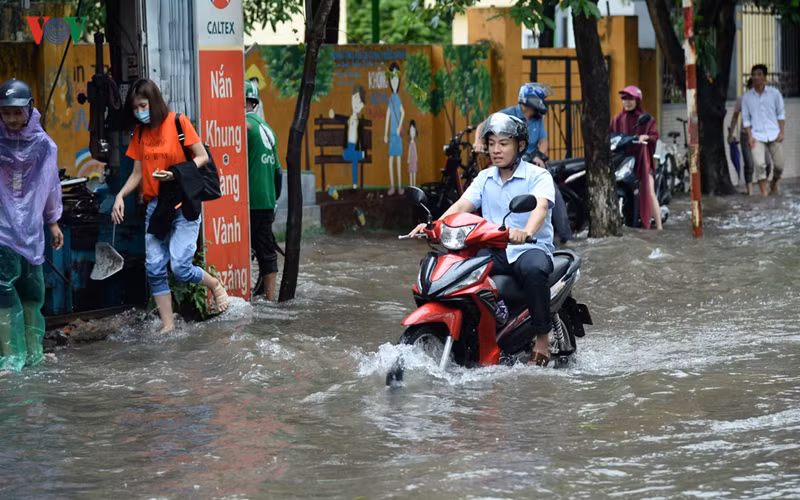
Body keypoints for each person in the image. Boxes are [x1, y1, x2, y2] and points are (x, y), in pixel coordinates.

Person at [410, 113, 555, 366]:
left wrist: (527, 231)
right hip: (494, 248)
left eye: (503, 143)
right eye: (491, 144)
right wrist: (433, 225)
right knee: (456, 270)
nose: (496, 150)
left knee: (534, 271)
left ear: (519, 146)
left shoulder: (537, 176)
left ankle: (542, 340)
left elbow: (540, 207)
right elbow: (462, 205)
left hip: (528, 248)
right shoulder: (485, 177)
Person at [112, 79, 229, 333]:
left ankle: (215, 285)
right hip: (157, 206)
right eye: (134, 108)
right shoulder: (140, 133)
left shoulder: (178, 122)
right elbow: (137, 173)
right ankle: (168, 325)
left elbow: (202, 157)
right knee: (154, 266)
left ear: (153, 102)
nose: (139, 112)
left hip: (183, 202)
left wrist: (176, 174)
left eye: (142, 105)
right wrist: (120, 195)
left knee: (180, 266)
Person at [0, 78, 64, 373]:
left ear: (29, 109)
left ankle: (33, 352)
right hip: (2, 230)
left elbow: (50, 187)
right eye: (5, 112)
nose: (12, 118)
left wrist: (52, 222)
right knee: (4, 292)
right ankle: (11, 357)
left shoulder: (43, 146)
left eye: (17, 112)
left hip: (31, 231)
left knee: (31, 292)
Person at [474, 83, 571, 243]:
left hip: (530, 163)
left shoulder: (537, 119)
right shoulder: (508, 115)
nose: (495, 149)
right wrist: (478, 141)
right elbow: (483, 126)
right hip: (509, 164)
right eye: (492, 144)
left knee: (554, 193)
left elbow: (543, 140)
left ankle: (566, 238)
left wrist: (541, 156)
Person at [245, 80, 281, 301]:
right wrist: (274, 198)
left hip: (250, 201)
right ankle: (269, 298)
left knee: (255, 249)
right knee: (266, 249)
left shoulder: (244, 126)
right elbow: (278, 172)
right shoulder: (268, 129)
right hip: (267, 199)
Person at [611, 85, 661, 230]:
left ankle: (659, 228)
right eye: (624, 98)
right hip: (623, 162)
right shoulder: (617, 119)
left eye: (630, 98)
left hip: (642, 162)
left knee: (650, 192)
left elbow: (654, 135)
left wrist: (646, 137)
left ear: (637, 100)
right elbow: (611, 135)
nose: (627, 102)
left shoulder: (646, 119)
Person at [742, 64, 785, 196]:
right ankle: (764, 194)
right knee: (760, 165)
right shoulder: (747, 97)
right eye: (754, 75)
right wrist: (749, 136)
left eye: (759, 74)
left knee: (779, 165)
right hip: (757, 135)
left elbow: (781, 114)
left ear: (765, 77)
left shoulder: (775, 94)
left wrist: (782, 132)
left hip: (774, 133)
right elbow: (746, 120)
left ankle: (773, 183)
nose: (756, 77)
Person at [728, 78, 756, 195]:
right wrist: (730, 134)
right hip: (745, 135)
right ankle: (750, 191)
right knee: (749, 163)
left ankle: (769, 186)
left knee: (767, 163)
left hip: (761, 135)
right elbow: (735, 117)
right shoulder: (742, 99)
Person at [384, 62, 405, 195]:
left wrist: (399, 127)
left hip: (397, 134)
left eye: (396, 79)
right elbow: (387, 116)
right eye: (392, 79)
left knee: (398, 160)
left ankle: (399, 186)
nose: (394, 82)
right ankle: (392, 185)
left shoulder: (398, 99)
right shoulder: (391, 99)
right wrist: (386, 133)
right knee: (391, 159)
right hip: (392, 134)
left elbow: (403, 113)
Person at [407, 120, 418, 188]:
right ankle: (411, 185)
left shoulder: (414, 143)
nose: (412, 133)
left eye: (413, 131)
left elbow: (415, 151)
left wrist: (416, 158)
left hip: (414, 160)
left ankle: (414, 185)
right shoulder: (410, 143)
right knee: (411, 172)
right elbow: (409, 151)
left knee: (414, 172)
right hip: (411, 160)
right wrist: (408, 159)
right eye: (411, 131)